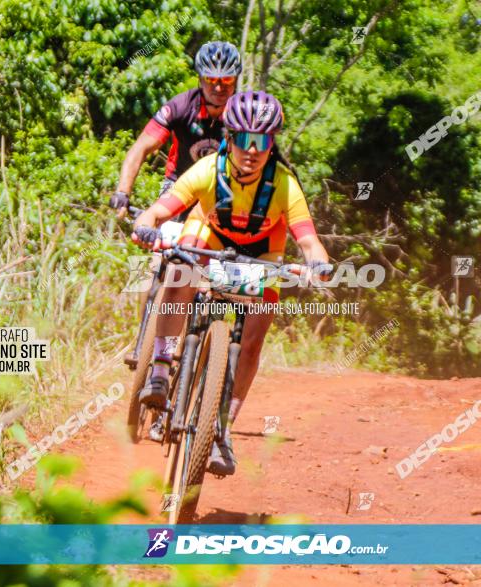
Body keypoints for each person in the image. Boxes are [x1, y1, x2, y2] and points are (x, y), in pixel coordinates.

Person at [131, 91, 331, 476]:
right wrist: (147, 224)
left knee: (254, 336)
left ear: (272, 144)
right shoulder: (208, 169)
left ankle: (222, 429)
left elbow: (307, 238)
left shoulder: (285, 184)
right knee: (179, 272)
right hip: (211, 237)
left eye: (262, 142)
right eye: (243, 140)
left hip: (262, 251)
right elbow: (162, 208)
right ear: (228, 138)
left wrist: (317, 263)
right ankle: (160, 367)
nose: (252, 151)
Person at [109, 41, 242, 219]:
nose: (219, 87)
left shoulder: (243, 114)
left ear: (236, 81)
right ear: (200, 79)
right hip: (178, 185)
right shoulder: (181, 107)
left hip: (224, 190)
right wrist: (123, 193)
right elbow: (140, 148)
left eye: (227, 79)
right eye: (211, 79)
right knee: (160, 236)